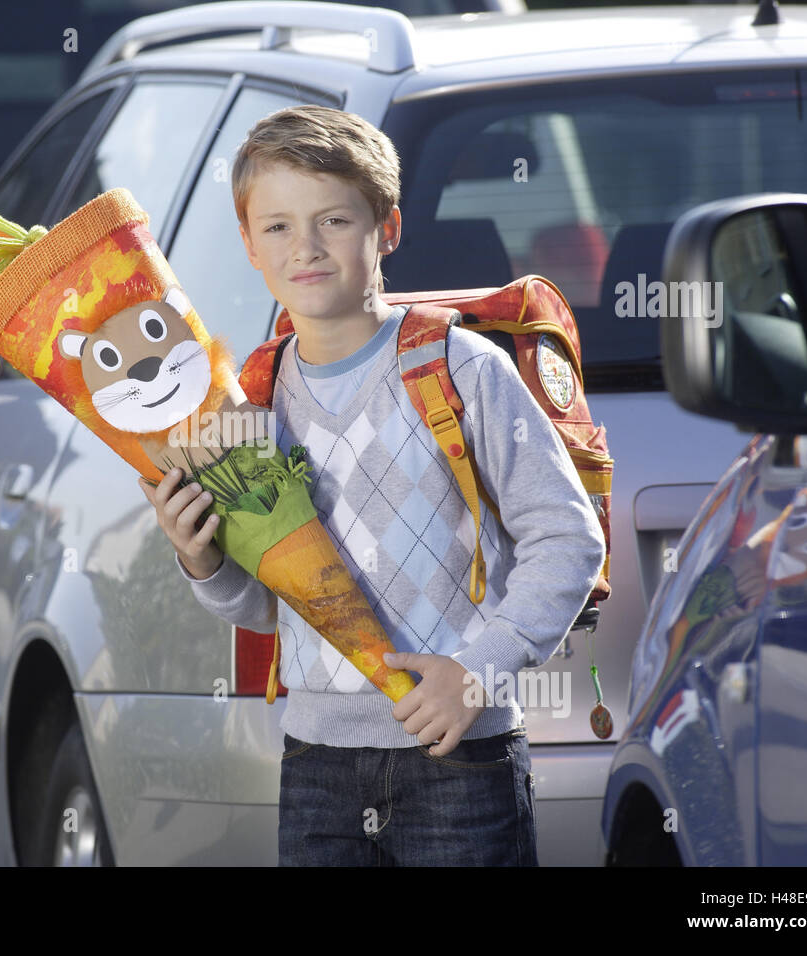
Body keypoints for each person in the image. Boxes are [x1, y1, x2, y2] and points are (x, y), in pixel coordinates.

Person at [138, 105, 606, 866]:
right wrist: (204, 563)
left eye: (334, 220)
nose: (307, 248)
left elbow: (566, 536)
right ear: (250, 244)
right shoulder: (249, 400)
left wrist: (477, 675)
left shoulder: (459, 369)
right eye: (279, 227)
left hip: (460, 757)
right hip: (316, 764)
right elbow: (267, 603)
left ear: (386, 229)